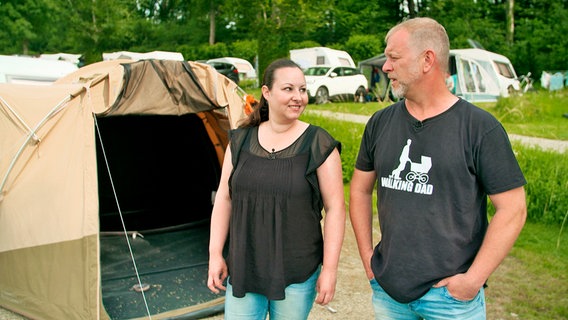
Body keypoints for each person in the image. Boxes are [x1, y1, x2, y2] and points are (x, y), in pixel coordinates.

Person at [349, 17, 527, 320]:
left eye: (393, 57)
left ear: (427, 60)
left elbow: (513, 209)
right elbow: (360, 188)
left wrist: (472, 280)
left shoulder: (479, 128)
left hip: (450, 301)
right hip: (389, 293)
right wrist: (368, 258)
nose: (386, 67)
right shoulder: (380, 123)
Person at [207, 58, 345, 319]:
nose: (298, 97)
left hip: (296, 271)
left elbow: (336, 209)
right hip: (245, 267)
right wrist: (215, 254)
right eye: (289, 89)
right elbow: (224, 199)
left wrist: (329, 269)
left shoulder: (318, 144)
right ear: (266, 93)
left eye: (302, 89)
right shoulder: (240, 141)